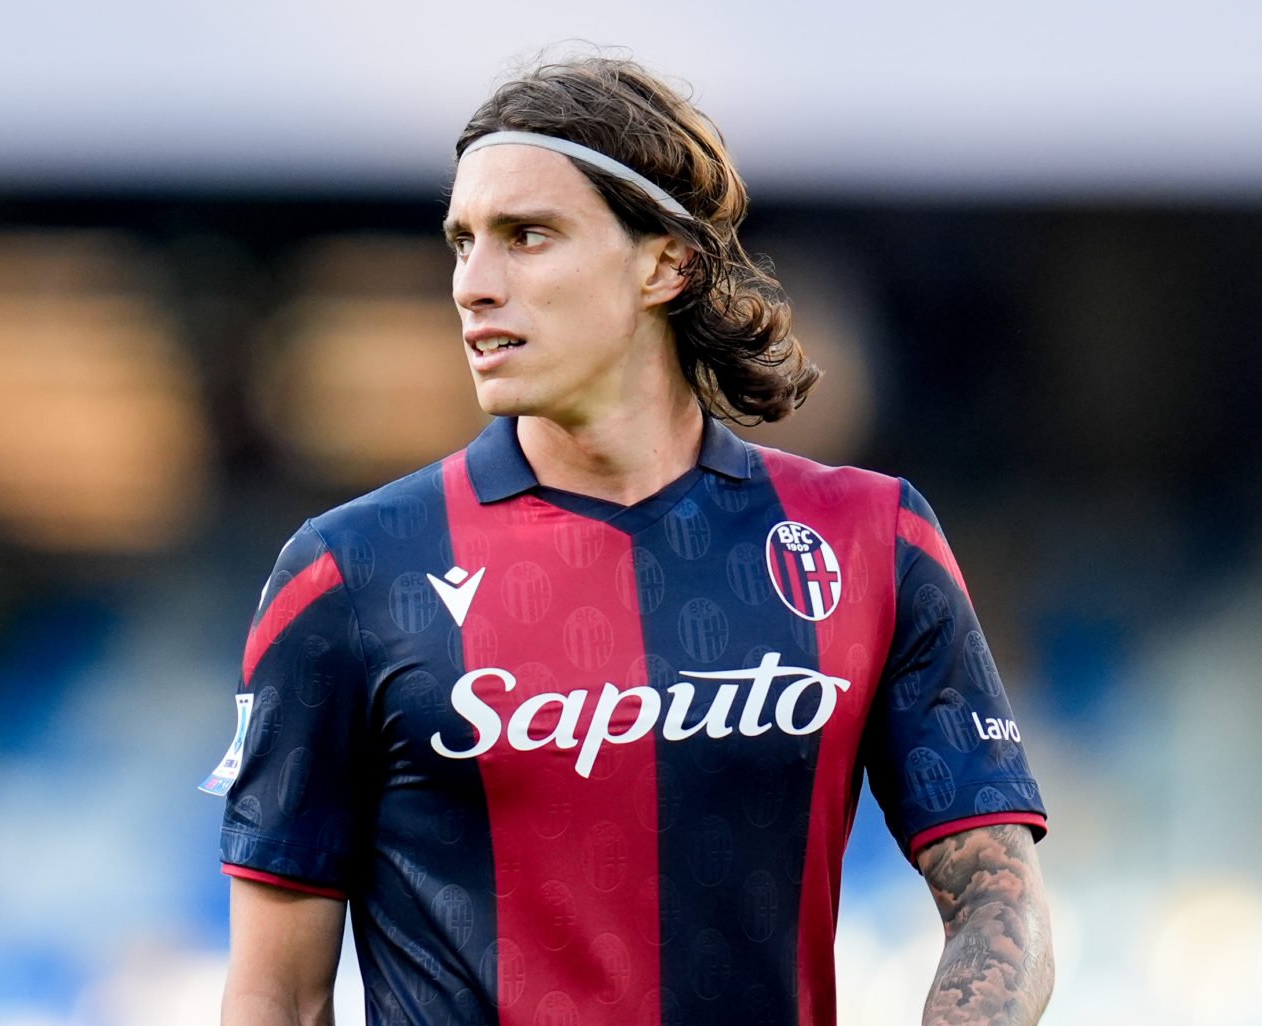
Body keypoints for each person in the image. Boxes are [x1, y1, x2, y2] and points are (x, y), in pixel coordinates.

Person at [206, 55, 1053, 1026]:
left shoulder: (868, 541)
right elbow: (276, 994)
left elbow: (1002, 904)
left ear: (666, 262)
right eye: (462, 242)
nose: (474, 286)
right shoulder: (348, 578)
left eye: (527, 237)